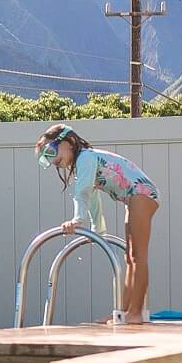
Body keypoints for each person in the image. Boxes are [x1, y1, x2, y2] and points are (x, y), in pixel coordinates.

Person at [35, 122, 160, 325]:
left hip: (142, 194)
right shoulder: (83, 165)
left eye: (50, 151)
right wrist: (98, 231)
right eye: (45, 159)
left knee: (138, 256)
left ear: (67, 142)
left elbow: (82, 193)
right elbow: (93, 199)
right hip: (134, 197)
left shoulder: (85, 158)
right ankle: (123, 312)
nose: (51, 160)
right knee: (130, 258)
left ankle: (135, 312)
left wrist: (77, 220)